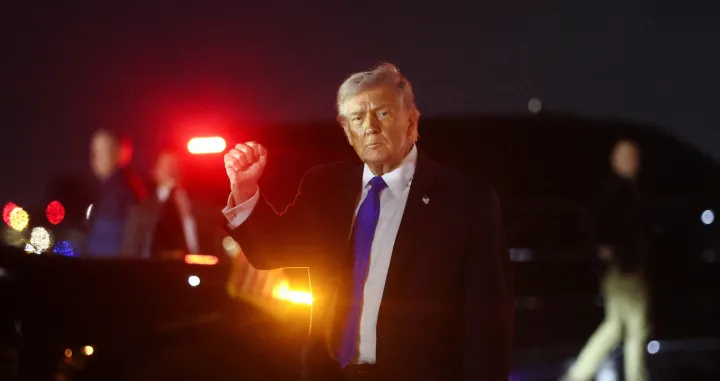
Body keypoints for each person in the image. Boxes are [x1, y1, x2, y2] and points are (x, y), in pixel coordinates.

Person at [222, 63, 513, 381]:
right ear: (347, 132)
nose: (370, 127)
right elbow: (270, 252)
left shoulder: (465, 200)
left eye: (383, 113)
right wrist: (246, 188)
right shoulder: (324, 185)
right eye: (358, 119)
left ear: (411, 120)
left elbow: (487, 323)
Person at [563, 139, 651, 381]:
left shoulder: (627, 190)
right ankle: (634, 376)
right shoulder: (614, 190)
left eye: (634, 156)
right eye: (627, 157)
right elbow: (590, 221)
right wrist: (603, 247)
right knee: (636, 323)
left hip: (624, 265)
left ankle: (579, 373)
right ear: (615, 160)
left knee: (616, 325)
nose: (633, 162)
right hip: (623, 267)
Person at [122, 148, 200, 259]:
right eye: (166, 166)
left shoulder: (198, 209)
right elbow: (130, 250)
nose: (172, 171)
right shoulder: (141, 211)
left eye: (176, 166)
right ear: (155, 172)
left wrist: (188, 217)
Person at [85, 129, 146, 257]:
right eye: (94, 152)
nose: (95, 158)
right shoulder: (110, 189)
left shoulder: (121, 192)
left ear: (119, 153)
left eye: (102, 151)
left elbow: (107, 245)